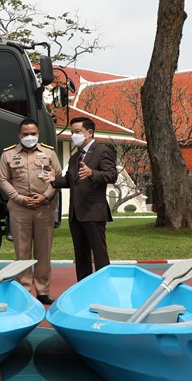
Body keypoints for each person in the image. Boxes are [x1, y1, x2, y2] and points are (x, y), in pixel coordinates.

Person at [0, 118, 61, 305]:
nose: (30, 137)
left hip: (44, 207)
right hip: (19, 208)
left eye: (33, 134)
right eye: (26, 134)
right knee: (22, 251)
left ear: (38, 134)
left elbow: (57, 178)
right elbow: (3, 180)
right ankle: (24, 290)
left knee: (43, 252)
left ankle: (43, 291)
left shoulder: (48, 152)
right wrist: (19, 198)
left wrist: (46, 196)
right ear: (19, 135)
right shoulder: (8, 154)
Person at [47, 117, 117, 282]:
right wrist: (53, 179)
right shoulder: (75, 157)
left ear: (89, 132)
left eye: (77, 132)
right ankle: (83, 288)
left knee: (99, 256)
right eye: (72, 132)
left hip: (93, 212)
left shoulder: (102, 151)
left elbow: (112, 175)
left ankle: (104, 287)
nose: (73, 136)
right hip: (75, 215)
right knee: (81, 257)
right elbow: (69, 181)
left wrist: (93, 173)